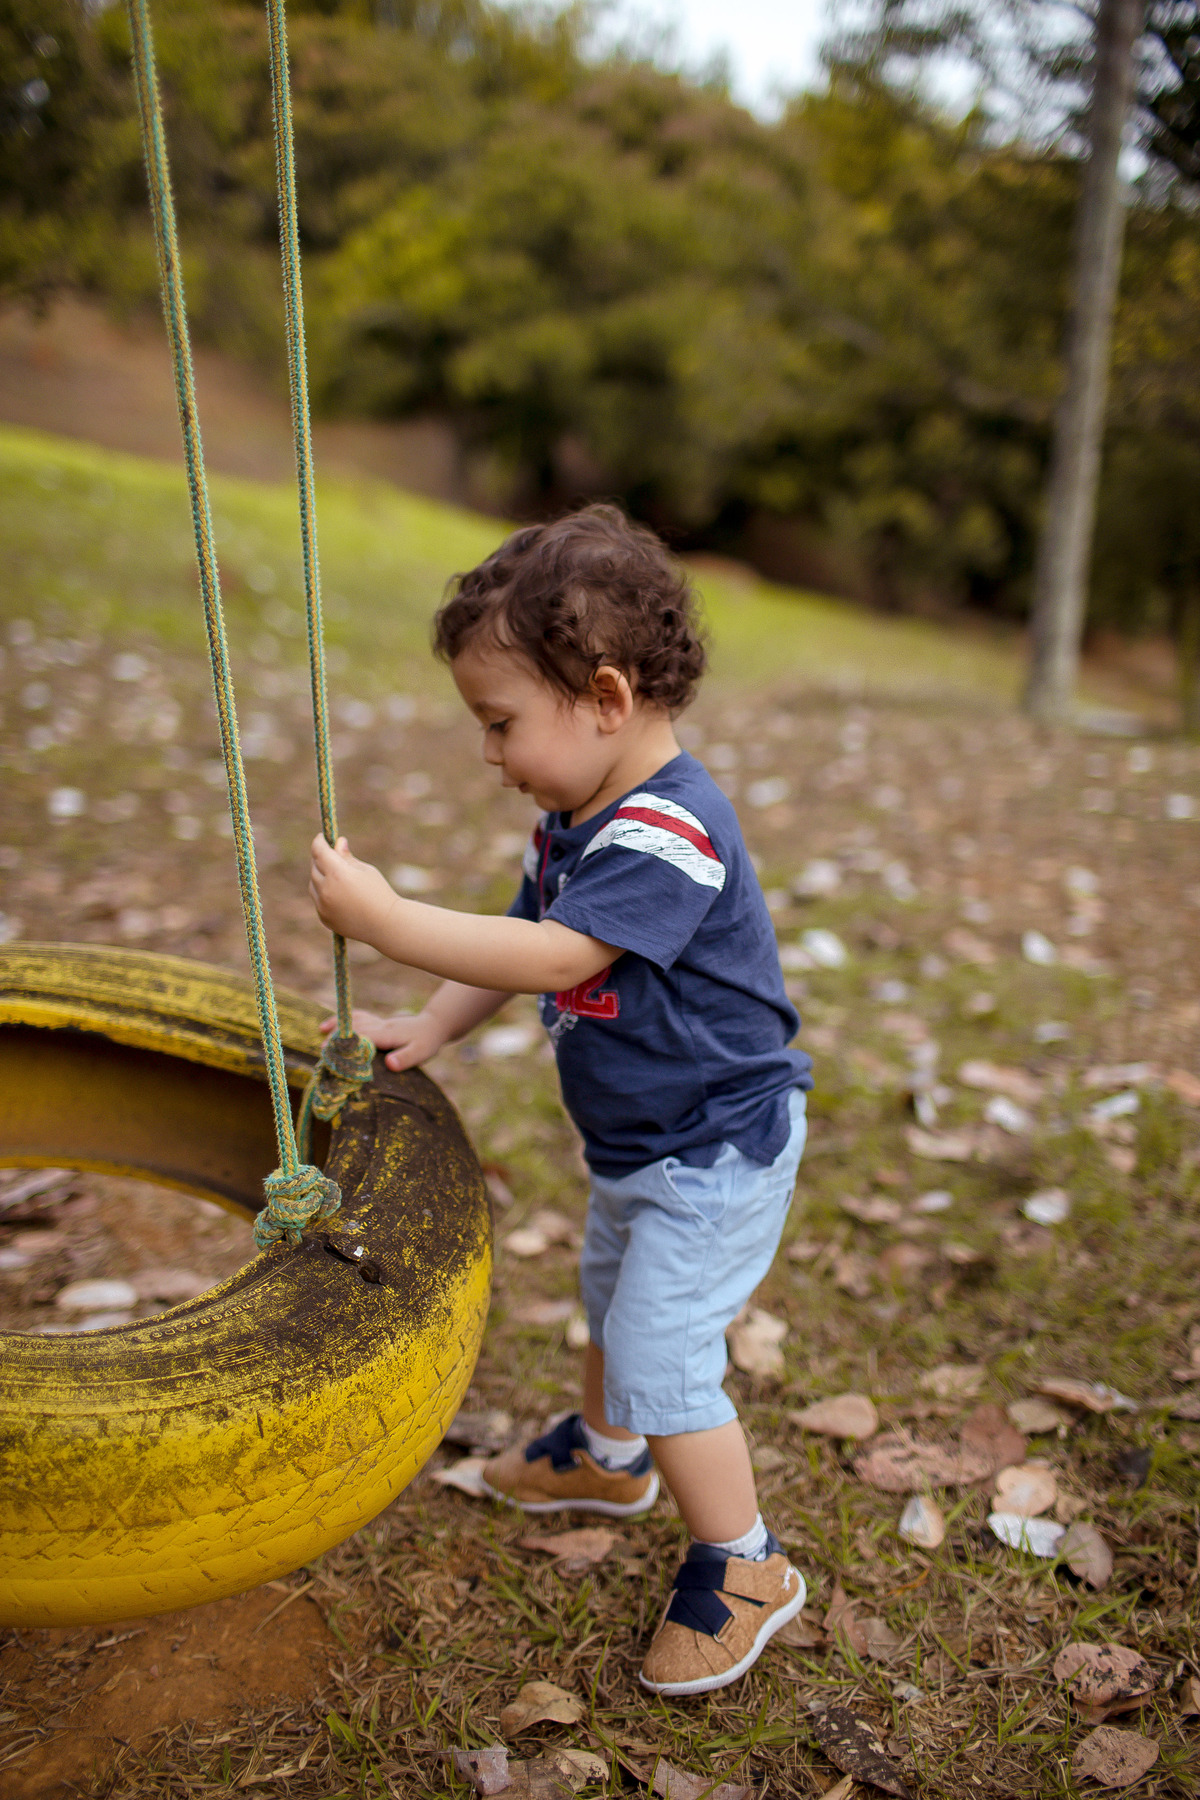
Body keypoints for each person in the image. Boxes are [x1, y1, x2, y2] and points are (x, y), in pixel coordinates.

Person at [308, 504, 813, 1697]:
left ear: (603, 696)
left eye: (500, 724)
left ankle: (746, 1564)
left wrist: (382, 921)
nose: (492, 756)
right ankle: (607, 1455)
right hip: (641, 1141)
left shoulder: (672, 830)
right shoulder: (575, 816)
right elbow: (526, 925)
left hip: (719, 1145)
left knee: (658, 1342)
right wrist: (431, 1021)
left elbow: (559, 958)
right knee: (608, 1298)